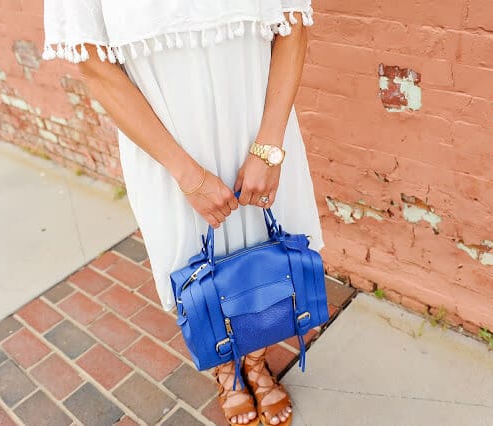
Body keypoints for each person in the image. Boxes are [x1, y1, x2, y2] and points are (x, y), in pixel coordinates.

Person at [43, 1, 323, 425]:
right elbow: (94, 66)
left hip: (259, 128)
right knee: (195, 268)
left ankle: (257, 359)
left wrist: (269, 147)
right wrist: (186, 173)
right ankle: (226, 367)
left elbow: (293, 24)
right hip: (167, 148)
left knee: (261, 250)